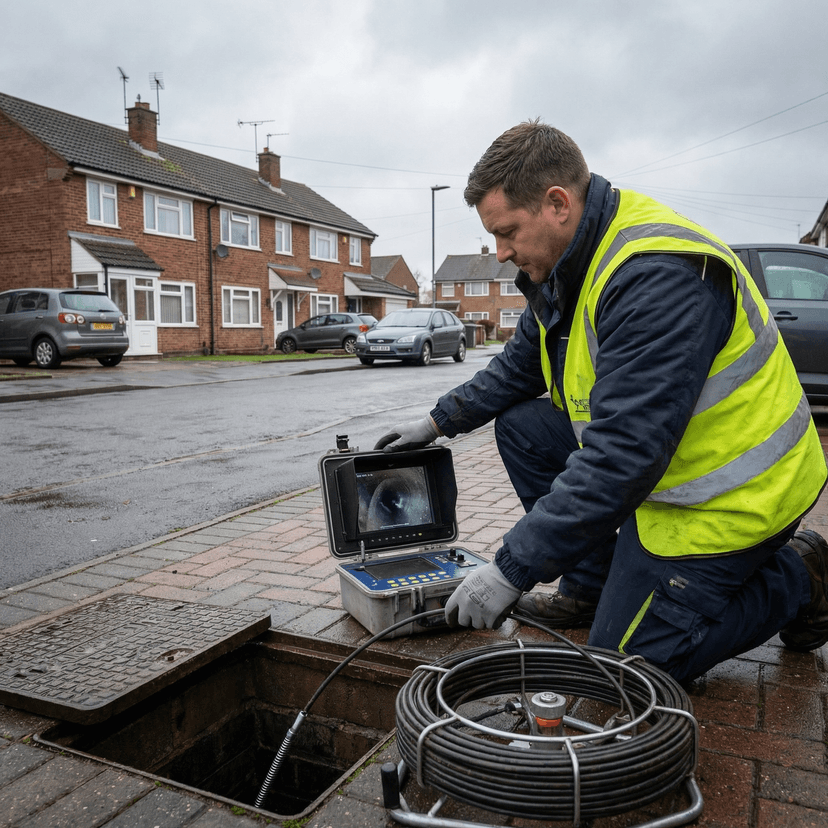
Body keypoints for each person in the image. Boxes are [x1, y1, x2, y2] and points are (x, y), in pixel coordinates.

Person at [375, 120, 828, 684]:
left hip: (737, 494)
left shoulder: (657, 276)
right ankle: (590, 586)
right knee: (522, 427)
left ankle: (802, 573)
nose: (501, 252)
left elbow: (621, 457)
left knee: (631, 665)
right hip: (666, 467)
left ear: (557, 204)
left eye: (507, 232)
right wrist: (436, 422)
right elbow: (520, 365)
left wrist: (511, 568)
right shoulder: (568, 263)